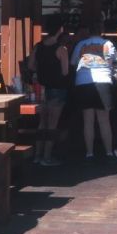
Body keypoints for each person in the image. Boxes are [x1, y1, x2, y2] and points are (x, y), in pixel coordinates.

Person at [70, 20, 117, 161]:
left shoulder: (81, 44)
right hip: (103, 80)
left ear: (89, 32)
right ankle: (109, 152)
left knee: (88, 120)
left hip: (84, 82)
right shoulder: (108, 44)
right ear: (102, 31)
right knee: (104, 120)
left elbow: (73, 62)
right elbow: (112, 63)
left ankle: (89, 153)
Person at [28, 14, 71, 166]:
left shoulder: (38, 46)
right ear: (60, 29)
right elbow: (65, 71)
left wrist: (41, 70)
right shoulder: (61, 49)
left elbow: (31, 65)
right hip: (57, 89)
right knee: (52, 124)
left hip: (41, 88)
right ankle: (47, 157)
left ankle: (37, 155)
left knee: (42, 123)